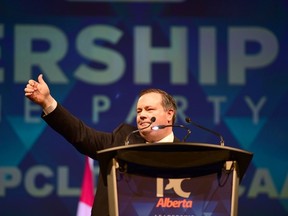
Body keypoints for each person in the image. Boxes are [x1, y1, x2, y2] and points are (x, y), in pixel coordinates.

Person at [24, 74, 179, 215]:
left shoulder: (190, 157)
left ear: (169, 115)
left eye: (149, 109)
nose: (142, 115)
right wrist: (47, 102)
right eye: (139, 111)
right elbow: (80, 134)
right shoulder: (122, 140)